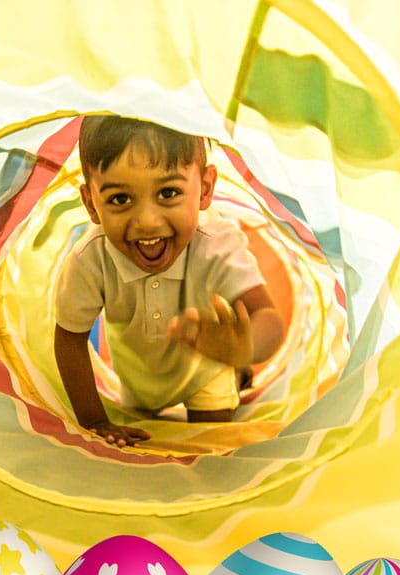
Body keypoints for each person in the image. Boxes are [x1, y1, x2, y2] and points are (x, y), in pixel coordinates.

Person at [54, 114, 285, 447]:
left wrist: (242, 349)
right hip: (138, 378)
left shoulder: (214, 241)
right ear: (91, 203)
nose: (147, 221)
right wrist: (94, 419)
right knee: (143, 444)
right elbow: (69, 339)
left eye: (168, 192)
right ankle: (236, 372)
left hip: (207, 368)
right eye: (120, 199)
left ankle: (236, 372)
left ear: (204, 189)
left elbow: (268, 318)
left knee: (211, 448)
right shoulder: (90, 259)